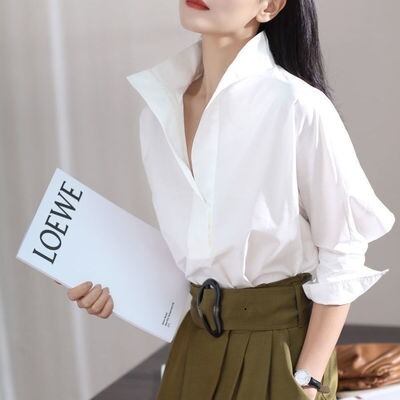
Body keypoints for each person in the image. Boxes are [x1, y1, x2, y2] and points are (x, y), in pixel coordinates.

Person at [61, 0, 396, 399]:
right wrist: (114, 288)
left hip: (280, 351)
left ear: (269, 6)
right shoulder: (157, 112)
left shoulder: (297, 106)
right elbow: (198, 253)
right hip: (194, 345)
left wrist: (307, 380)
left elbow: (343, 253)